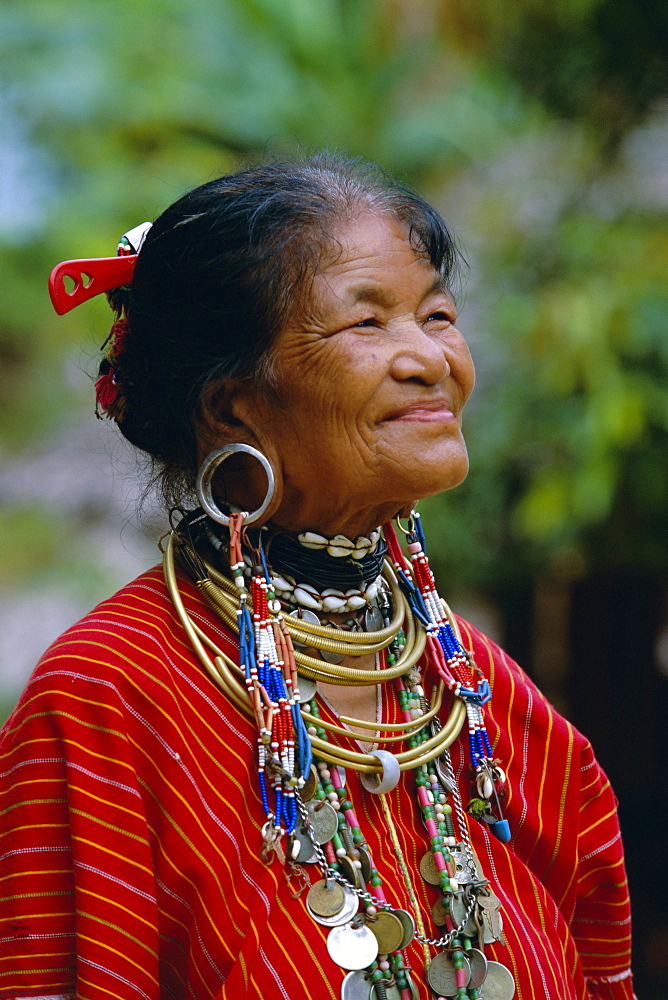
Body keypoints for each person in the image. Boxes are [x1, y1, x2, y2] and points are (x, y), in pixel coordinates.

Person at [0, 155, 635, 1000]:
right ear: (233, 405)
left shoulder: (491, 703)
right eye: (366, 325)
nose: (430, 358)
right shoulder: (111, 699)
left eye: (437, 314)